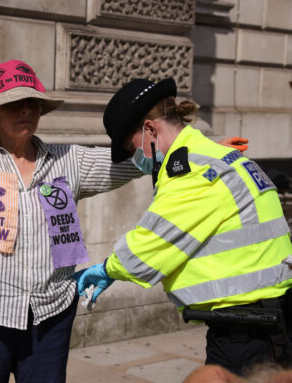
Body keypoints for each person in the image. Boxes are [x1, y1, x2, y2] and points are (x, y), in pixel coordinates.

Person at [0, 61, 245, 382]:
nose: (26, 110)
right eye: (14, 104)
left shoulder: (68, 160)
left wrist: (202, 151)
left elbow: (137, 158)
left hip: (50, 317)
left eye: (33, 103)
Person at [75, 77, 292, 375]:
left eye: (132, 146)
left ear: (150, 129)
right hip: (268, 320)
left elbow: (149, 246)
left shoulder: (191, 172)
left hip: (245, 333)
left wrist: (108, 268)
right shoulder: (216, 156)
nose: (136, 158)